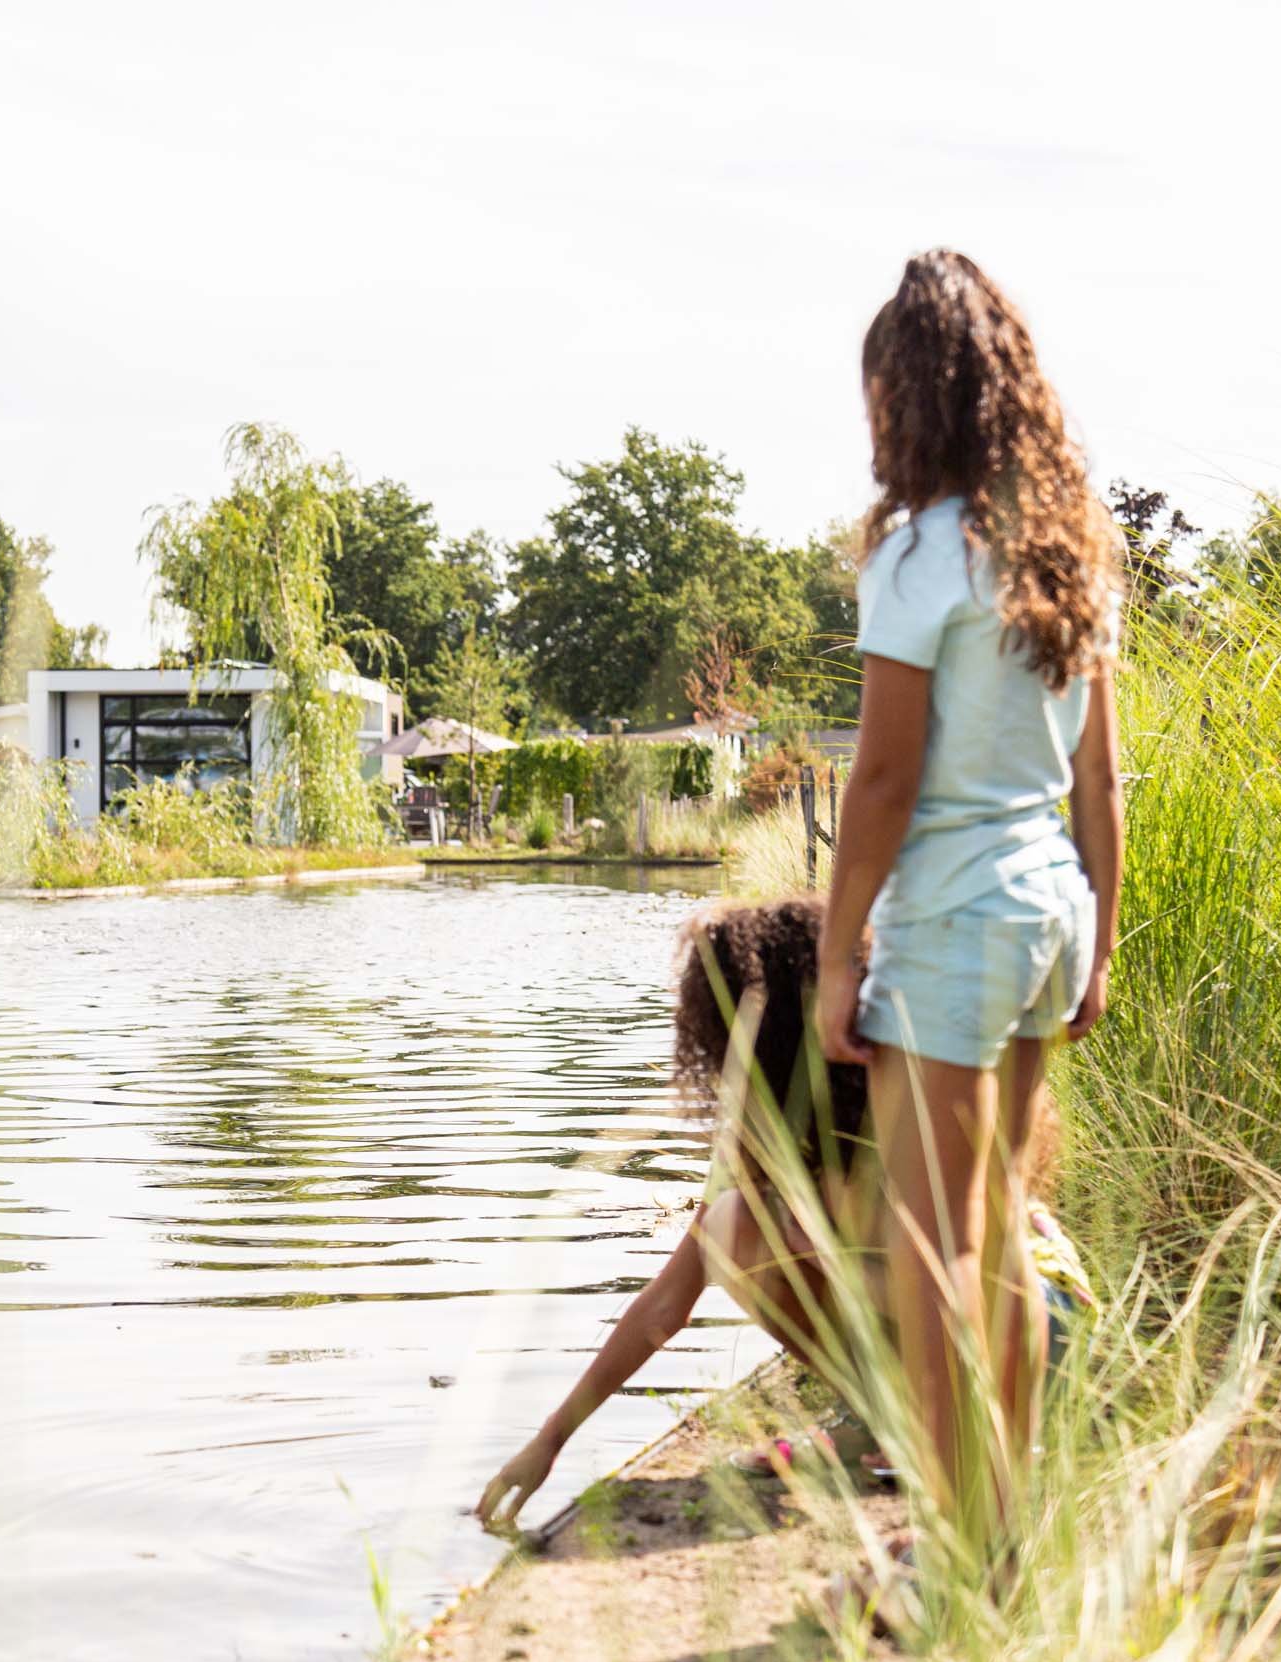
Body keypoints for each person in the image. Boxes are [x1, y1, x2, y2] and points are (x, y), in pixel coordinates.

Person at [813, 248, 1124, 1549]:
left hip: (951, 921)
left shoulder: (921, 557)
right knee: (996, 1232)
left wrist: (837, 958)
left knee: (933, 1253)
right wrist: (1100, 935)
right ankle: (1009, 1532)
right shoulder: (1072, 555)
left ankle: (963, 1552)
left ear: (910, 398)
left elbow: (880, 782)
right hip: (1047, 907)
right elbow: (1102, 779)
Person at [473, 896, 1097, 1530]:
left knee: (782, 1234)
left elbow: (970, 1270)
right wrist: (550, 1440)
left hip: (1037, 1325)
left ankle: (943, 1434)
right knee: (734, 1227)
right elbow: (665, 1306)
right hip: (964, 1332)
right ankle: (900, 1420)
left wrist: (819, 1251)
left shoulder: (908, 1092)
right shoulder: (767, 1145)